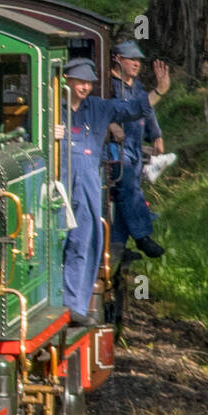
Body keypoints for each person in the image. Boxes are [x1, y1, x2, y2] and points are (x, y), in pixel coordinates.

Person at [55, 58, 161, 327]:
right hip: (58, 184)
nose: (85, 87)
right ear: (66, 80)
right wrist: (48, 132)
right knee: (58, 242)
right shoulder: (51, 109)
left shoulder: (99, 108)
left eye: (89, 82)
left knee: (88, 239)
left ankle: (75, 303)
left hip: (88, 182)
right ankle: (59, 301)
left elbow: (131, 108)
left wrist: (159, 91)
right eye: (80, 81)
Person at [110, 41, 171, 258]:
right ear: (117, 58)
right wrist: (111, 125)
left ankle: (116, 247)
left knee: (126, 194)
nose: (137, 64)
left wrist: (156, 135)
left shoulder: (136, 87)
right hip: (114, 149)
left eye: (139, 60)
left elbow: (147, 109)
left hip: (135, 145)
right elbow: (100, 110)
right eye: (132, 59)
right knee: (129, 191)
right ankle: (142, 237)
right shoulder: (108, 86)